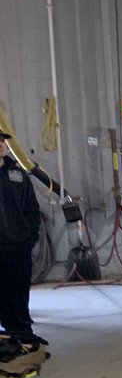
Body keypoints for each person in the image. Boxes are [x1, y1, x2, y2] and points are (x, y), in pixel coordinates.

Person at [0, 130, 42, 342]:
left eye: (2, 141)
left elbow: (32, 210)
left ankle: (22, 335)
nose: (0, 145)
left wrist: (30, 237)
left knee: (18, 293)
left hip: (17, 246)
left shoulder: (17, 175)